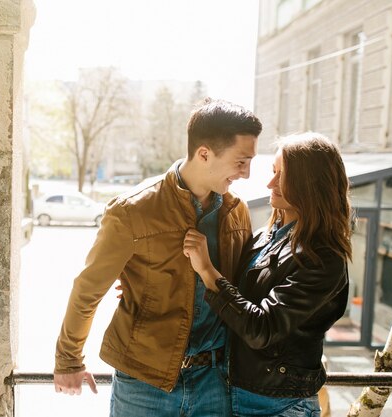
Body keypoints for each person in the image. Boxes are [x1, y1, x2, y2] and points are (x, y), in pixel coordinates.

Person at [53, 98, 262, 417]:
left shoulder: (237, 213)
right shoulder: (132, 211)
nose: (246, 174)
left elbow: (242, 293)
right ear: (205, 153)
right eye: (240, 161)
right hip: (143, 383)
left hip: (214, 382)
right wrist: (69, 359)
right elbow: (88, 290)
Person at [183, 132, 352, 417]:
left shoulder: (323, 258)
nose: (270, 183)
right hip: (236, 392)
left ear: (311, 183)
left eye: (283, 176)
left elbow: (261, 329)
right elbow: (234, 299)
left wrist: (207, 269)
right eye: (273, 172)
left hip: (281, 403)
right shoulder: (266, 235)